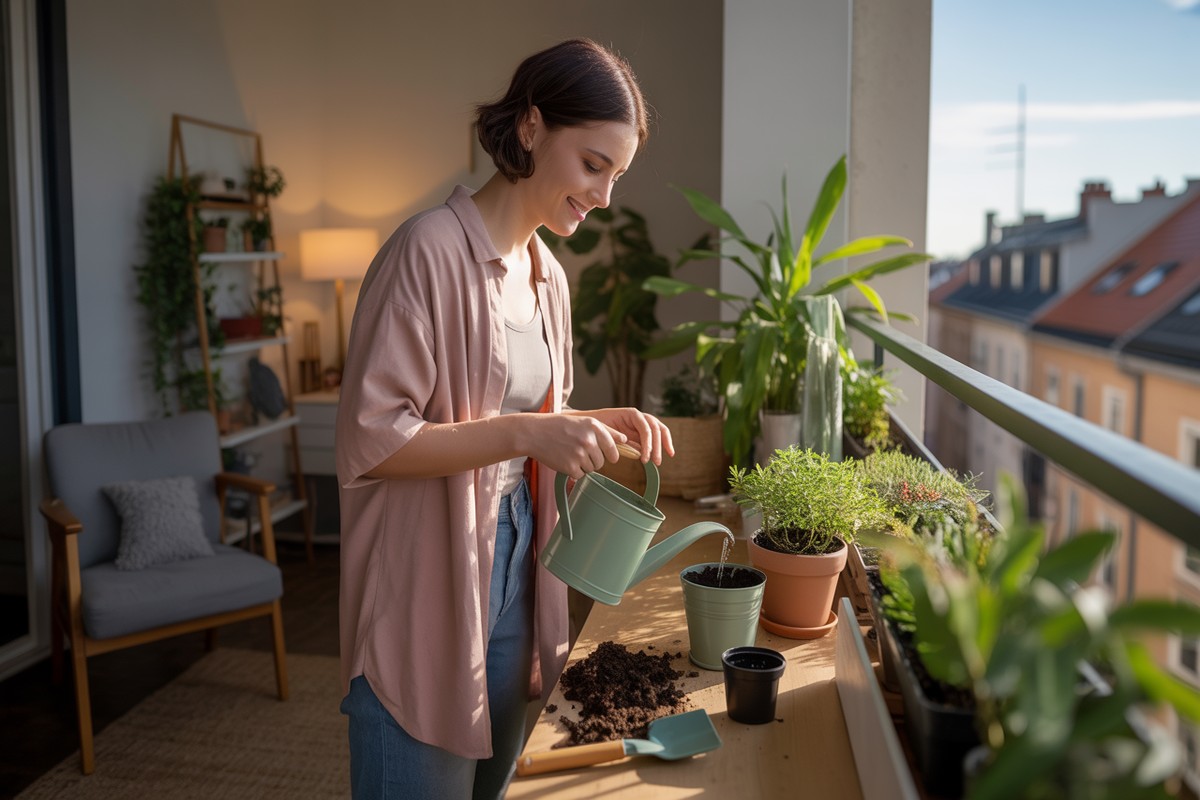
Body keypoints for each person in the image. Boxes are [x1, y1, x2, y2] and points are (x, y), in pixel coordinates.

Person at [335, 38, 673, 800]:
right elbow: (372, 439)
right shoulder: (425, 252)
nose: (605, 196)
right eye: (593, 165)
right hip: (427, 572)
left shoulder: (547, 273)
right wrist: (530, 432)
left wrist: (588, 419)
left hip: (522, 558)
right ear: (530, 127)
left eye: (616, 176)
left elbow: (510, 413)